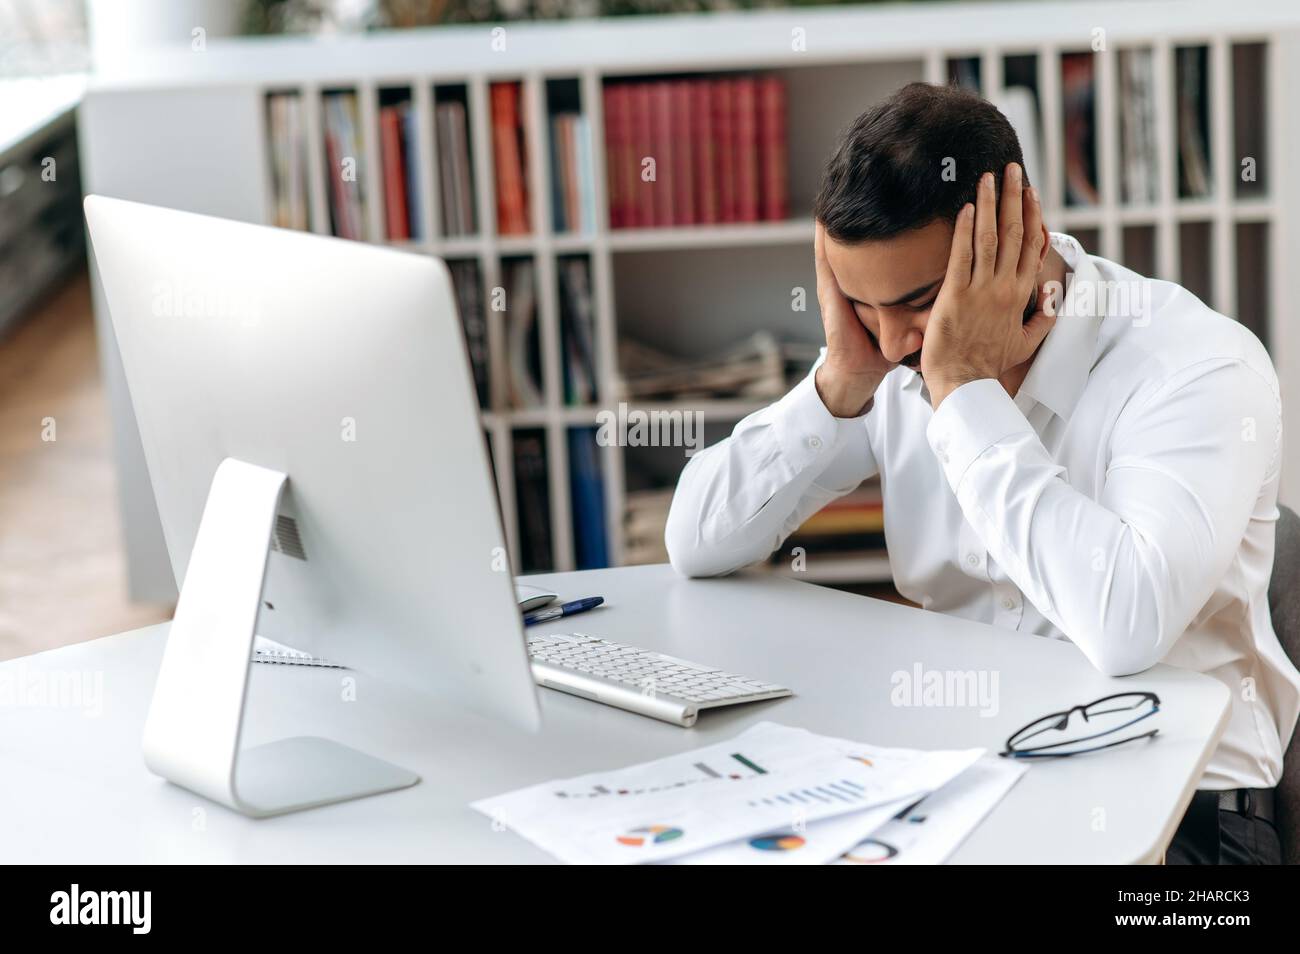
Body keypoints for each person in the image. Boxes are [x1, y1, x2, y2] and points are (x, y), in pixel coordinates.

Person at [664, 82, 1298, 864]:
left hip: (1185, 823)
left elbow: (1125, 625)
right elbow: (696, 542)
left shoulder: (1194, 367)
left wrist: (963, 391)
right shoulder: (887, 360)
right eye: (862, 305)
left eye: (920, 301)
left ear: (1018, 232)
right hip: (963, 788)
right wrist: (839, 380)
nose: (896, 342)